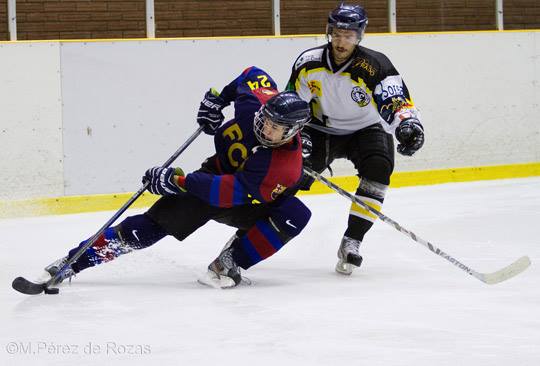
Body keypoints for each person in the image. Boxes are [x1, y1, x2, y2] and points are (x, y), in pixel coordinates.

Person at [44, 66, 312, 289]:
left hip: (241, 197)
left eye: (276, 128)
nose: (266, 128)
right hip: (214, 176)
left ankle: (230, 262)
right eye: (266, 120)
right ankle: (73, 261)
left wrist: (176, 182)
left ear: (293, 131)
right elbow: (252, 73)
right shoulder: (255, 103)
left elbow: (225, 193)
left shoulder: (283, 168)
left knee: (294, 214)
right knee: (147, 228)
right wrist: (217, 101)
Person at [286, 3, 425, 275]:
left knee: (379, 168)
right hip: (320, 128)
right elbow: (293, 104)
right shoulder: (308, 62)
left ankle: (353, 240)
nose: (341, 41)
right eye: (337, 34)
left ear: (359, 36)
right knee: (290, 176)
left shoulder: (375, 65)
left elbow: (395, 100)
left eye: (348, 36)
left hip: (366, 128)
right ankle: (252, 230)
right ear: (329, 32)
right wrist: (298, 135)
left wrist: (408, 124)